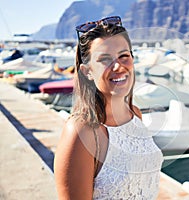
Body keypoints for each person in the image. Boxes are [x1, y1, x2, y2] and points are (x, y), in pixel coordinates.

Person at [54, 16, 163, 199]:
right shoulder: (82, 132)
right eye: (105, 59)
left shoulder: (135, 115)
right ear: (87, 71)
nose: (118, 66)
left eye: (124, 56)